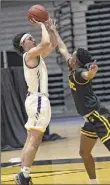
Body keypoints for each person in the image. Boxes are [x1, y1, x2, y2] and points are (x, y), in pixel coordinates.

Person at [49, 23, 110, 184]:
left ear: (76, 61)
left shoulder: (77, 73)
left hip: (99, 116)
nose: (70, 56)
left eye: (73, 55)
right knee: (84, 152)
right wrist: (54, 31)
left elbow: (86, 75)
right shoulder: (73, 68)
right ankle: (93, 183)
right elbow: (62, 49)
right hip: (89, 120)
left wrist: (91, 73)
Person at [12, 18, 57, 185]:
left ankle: (22, 175)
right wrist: (41, 26)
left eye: (32, 36)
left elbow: (51, 44)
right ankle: (24, 175)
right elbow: (45, 43)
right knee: (35, 140)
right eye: (29, 38)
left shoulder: (35, 55)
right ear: (23, 45)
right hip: (38, 100)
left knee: (31, 138)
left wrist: (51, 29)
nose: (32, 38)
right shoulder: (29, 55)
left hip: (35, 99)